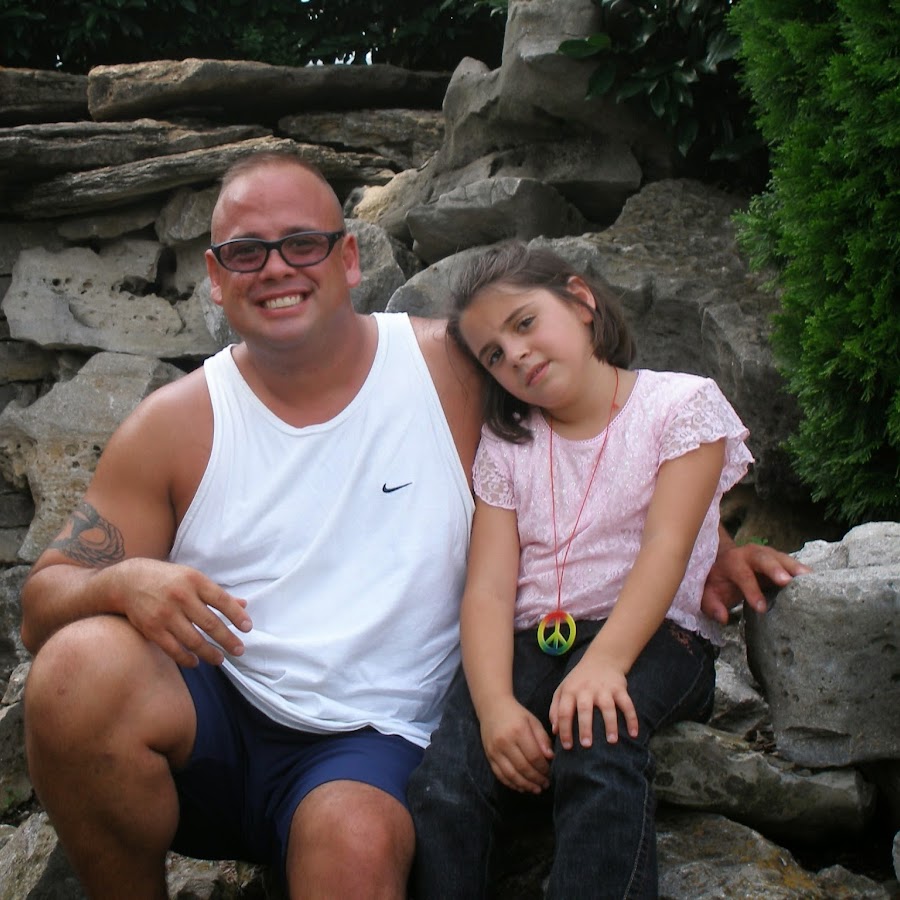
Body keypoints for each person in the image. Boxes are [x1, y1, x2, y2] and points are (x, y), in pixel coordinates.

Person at [19, 153, 807, 900]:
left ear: (349, 258)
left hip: (373, 745)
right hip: (214, 719)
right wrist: (126, 582)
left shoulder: (454, 368)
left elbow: (601, 437)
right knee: (75, 670)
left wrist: (711, 546)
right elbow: (43, 601)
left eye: (302, 243)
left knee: (354, 843)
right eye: (247, 253)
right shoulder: (173, 425)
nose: (277, 268)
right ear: (215, 278)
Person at [407, 241, 788, 899]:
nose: (515, 353)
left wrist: (606, 662)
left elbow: (667, 548)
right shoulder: (509, 446)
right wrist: (496, 708)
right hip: (534, 640)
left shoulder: (680, 407)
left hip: (653, 636)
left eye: (525, 322)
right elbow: (489, 589)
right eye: (493, 354)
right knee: (447, 775)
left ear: (581, 301)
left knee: (596, 735)